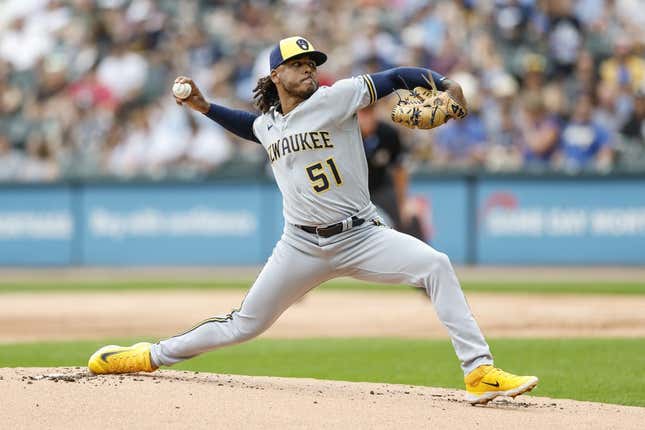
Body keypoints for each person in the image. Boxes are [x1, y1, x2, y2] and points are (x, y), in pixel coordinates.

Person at [88, 36, 538, 405]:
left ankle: (478, 371)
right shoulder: (269, 125)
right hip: (300, 247)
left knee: (436, 264)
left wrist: (445, 83)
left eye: (311, 62)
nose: (308, 68)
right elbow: (250, 126)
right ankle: (148, 355)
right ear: (275, 75)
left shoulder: (336, 97)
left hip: (361, 235)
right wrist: (205, 107)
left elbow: (396, 78)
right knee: (244, 324)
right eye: (297, 63)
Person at [358, 103, 406, 229]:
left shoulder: (387, 133)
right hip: (356, 193)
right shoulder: (346, 135)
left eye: (370, 111)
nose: (367, 117)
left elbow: (399, 169)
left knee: (396, 225)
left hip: (381, 189)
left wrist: (402, 203)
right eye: (363, 112)